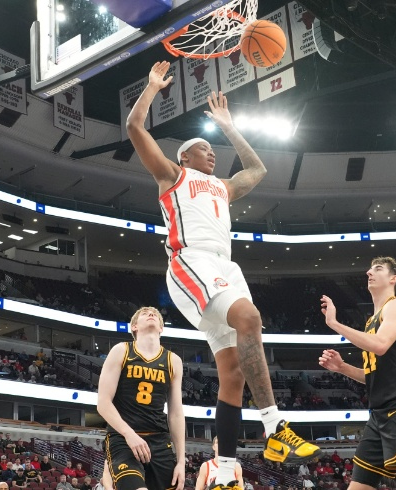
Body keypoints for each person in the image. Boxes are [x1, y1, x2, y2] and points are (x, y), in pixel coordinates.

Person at [127, 61, 320, 489]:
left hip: (225, 267)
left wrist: (229, 127)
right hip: (191, 261)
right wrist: (152, 88)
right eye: (203, 148)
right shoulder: (173, 175)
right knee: (250, 317)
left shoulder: (224, 187)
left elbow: (258, 170)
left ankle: (227, 470)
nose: (211, 153)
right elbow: (134, 127)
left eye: (213, 149)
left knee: (232, 372)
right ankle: (274, 426)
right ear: (185, 156)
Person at [318, 257, 396, 490]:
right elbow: (374, 376)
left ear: (393, 278)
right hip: (378, 414)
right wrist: (342, 367)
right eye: (370, 269)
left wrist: (334, 323)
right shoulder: (372, 321)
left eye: (378, 269)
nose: (369, 272)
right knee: (359, 486)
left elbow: (380, 345)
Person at [96, 307, 185, 490]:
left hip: (159, 441)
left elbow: (176, 413)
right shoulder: (121, 351)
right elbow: (103, 403)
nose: (151, 314)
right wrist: (129, 434)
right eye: (145, 313)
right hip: (123, 438)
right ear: (134, 326)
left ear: (161, 328)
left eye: (155, 314)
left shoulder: (173, 361)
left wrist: (181, 461)